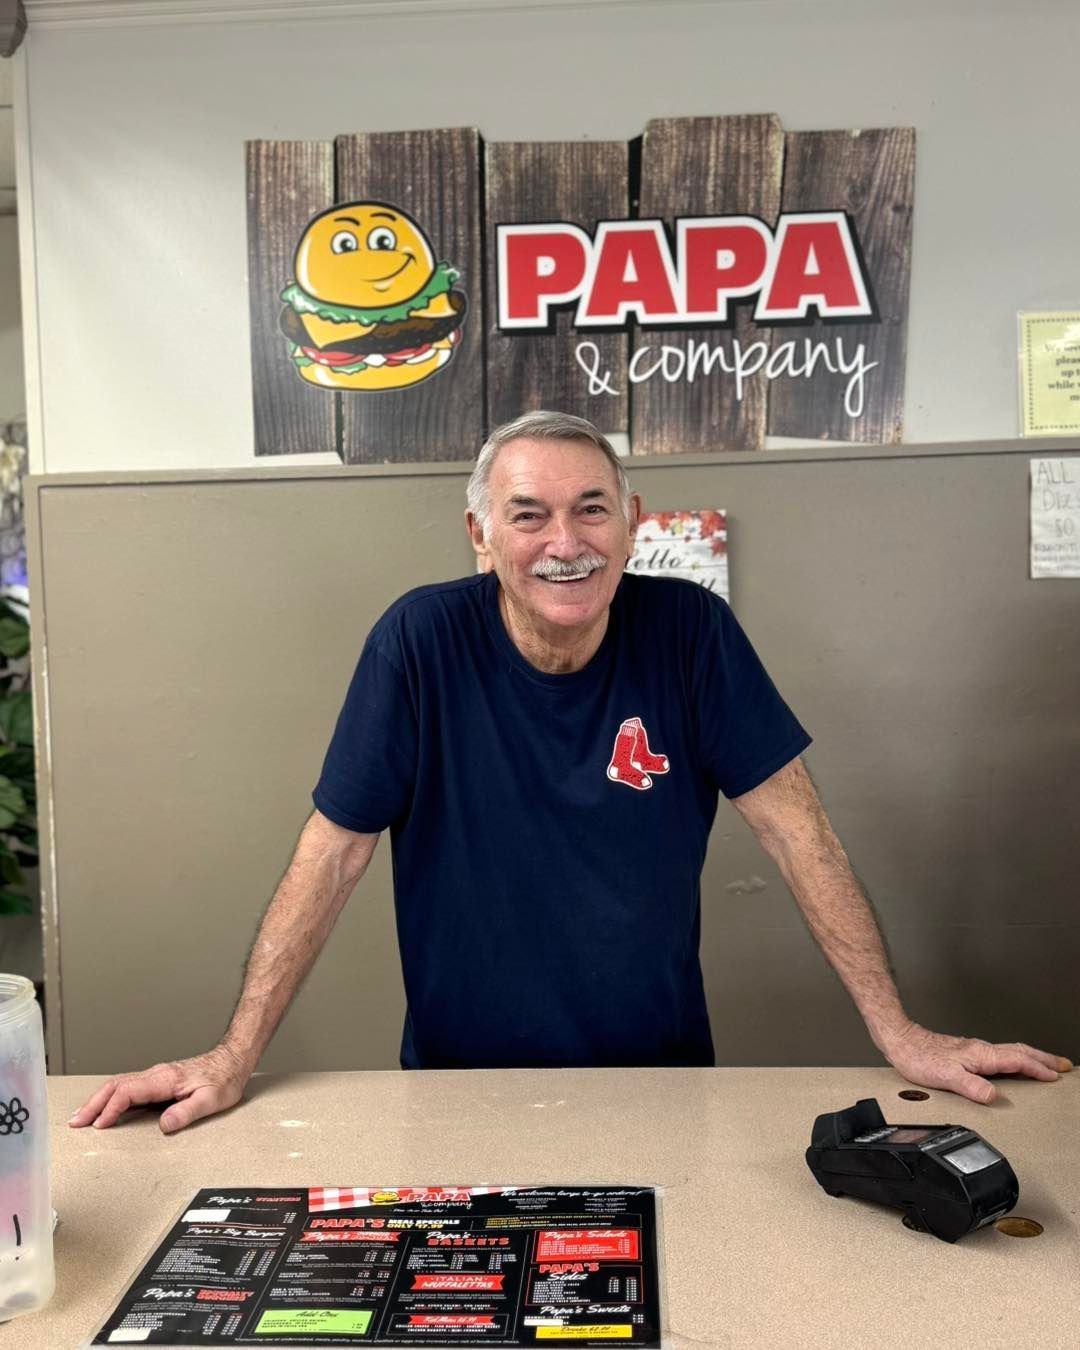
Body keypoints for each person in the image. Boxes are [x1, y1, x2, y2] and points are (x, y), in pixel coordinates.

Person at [71, 412, 1071, 1133]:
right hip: (458, 1087)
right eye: (529, 515)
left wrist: (897, 1032)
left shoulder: (689, 632)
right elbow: (331, 856)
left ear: (631, 519)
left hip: (666, 1084)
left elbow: (797, 830)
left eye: (591, 511)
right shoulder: (419, 641)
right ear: (479, 534)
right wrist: (236, 1053)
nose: (564, 543)